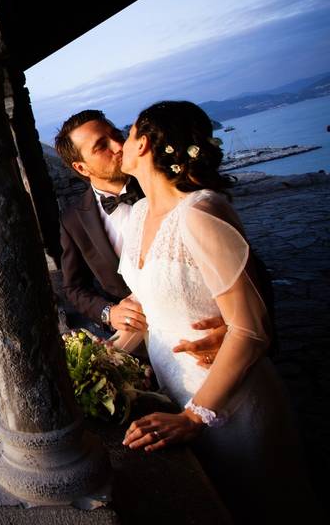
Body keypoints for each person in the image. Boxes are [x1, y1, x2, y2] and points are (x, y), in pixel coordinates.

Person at [115, 101, 317, 520]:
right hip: (174, 390)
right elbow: (153, 301)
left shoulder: (200, 213)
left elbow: (251, 328)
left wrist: (194, 417)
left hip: (230, 401)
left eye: (129, 133)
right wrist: (108, 353)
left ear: (147, 144)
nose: (121, 144)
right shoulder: (136, 215)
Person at [55, 110, 226, 357]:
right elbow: (74, 287)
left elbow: (238, 261)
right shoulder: (73, 220)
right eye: (102, 146)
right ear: (81, 167)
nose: (118, 145)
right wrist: (108, 312)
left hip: (204, 328)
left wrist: (233, 326)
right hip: (141, 346)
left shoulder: (171, 187)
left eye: (116, 135)